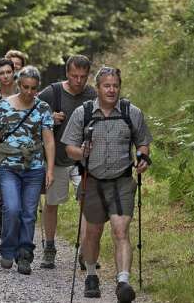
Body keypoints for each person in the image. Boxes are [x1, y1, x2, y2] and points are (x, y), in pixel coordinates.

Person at [62, 66, 151, 302]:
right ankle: (91, 274)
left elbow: (142, 143)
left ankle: (123, 282)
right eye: (107, 86)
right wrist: (81, 152)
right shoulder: (83, 113)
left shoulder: (131, 112)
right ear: (98, 88)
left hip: (122, 181)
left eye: (115, 86)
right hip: (92, 181)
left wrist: (142, 158)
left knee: (121, 230)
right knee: (93, 233)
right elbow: (69, 148)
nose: (111, 90)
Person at [0, 66, 55, 275]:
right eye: (25, 87)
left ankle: (25, 254)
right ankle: (8, 249)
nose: (29, 92)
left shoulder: (43, 108)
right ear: (19, 85)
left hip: (34, 167)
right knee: (12, 209)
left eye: (33, 88)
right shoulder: (4, 105)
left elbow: (49, 140)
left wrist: (50, 169)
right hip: (8, 166)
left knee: (29, 213)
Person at [36, 55, 96, 269]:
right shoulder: (52, 92)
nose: (78, 81)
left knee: (88, 204)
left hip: (83, 160)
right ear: (66, 73)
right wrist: (48, 118)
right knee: (52, 204)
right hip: (57, 160)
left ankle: (85, 250)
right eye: (74, 76)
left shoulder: (92, 94)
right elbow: (29, 113)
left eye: (83, 77)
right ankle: (50, 247)